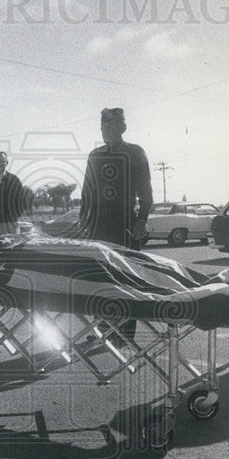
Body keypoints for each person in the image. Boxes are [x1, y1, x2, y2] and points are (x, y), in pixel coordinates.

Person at [79, 107, 153, 341]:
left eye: (112, 126)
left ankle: (125, 331)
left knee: (126, 276)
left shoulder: (135, 152)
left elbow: (146, 191)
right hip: (99, 223)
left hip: (125, 222)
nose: (107, 130)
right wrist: (83, 222)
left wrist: (142, 220)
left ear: (123, 127)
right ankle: (101, 326)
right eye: (103, 126)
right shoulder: (95, 155)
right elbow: (87, 193)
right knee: (101, 276)